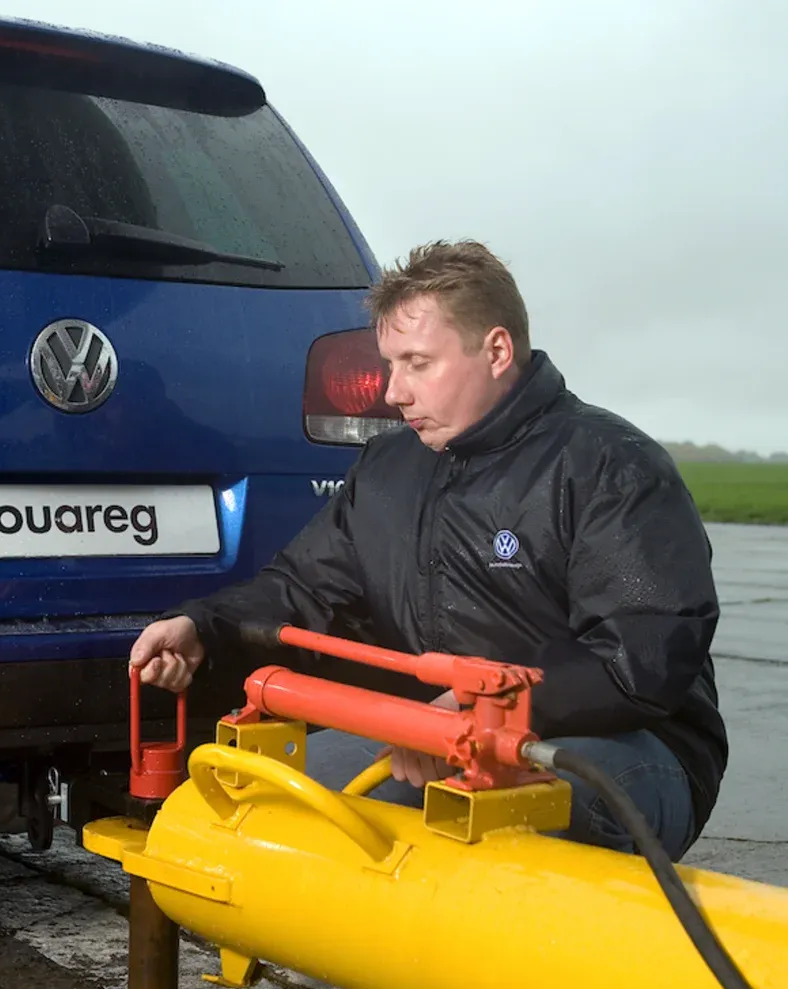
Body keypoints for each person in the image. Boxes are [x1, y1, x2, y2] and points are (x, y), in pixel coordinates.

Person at [129, 239, 727, 866]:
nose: (393, 392)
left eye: (417, 363)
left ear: (496, 351)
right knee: (272, 810)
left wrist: (481, 712)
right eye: (390, 364)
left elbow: (644, 655)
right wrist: (203, 625)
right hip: (434, 731)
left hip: (628, 749)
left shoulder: (610, 466)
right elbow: (302, 588)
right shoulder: (388, 470)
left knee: (472, 831)